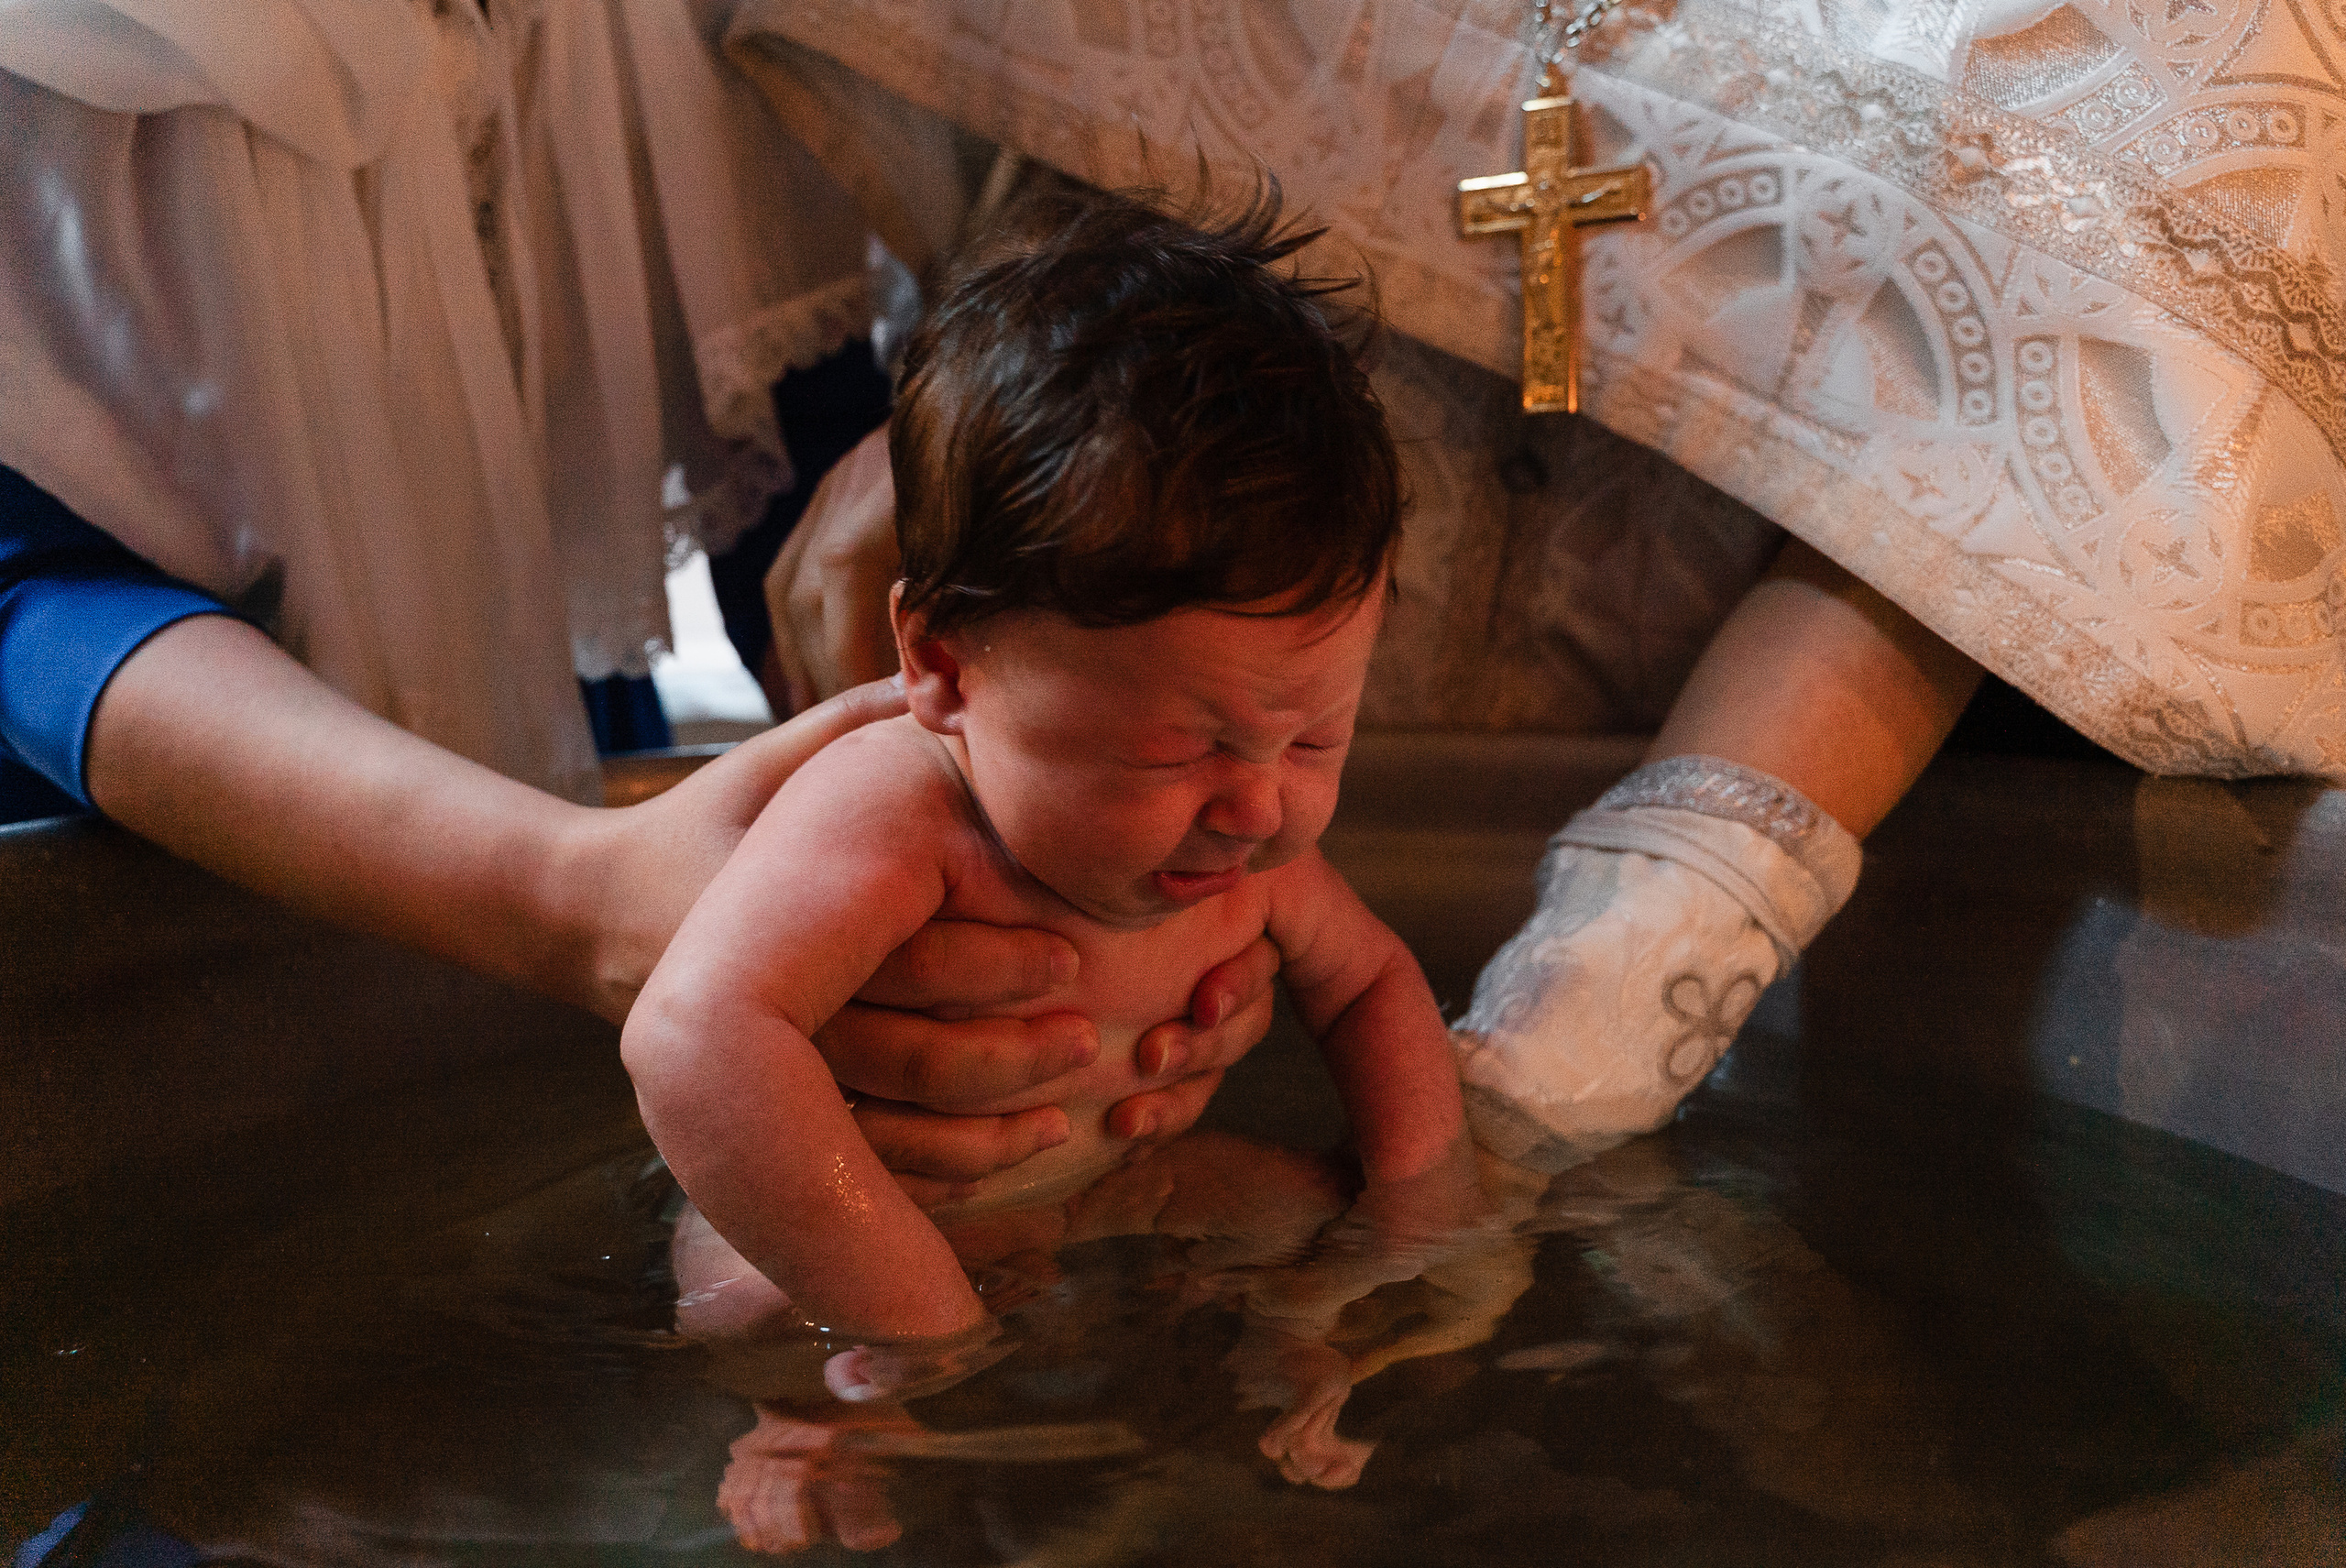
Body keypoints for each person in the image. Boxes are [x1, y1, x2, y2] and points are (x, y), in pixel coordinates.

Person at [0, 0, 1277, 1194]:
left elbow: (772, 421)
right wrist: (573, 893)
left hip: (575, 812)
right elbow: (24, 590)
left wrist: (1058, 896)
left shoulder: (644, 25)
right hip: (112, 867)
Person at [622, 189, 1477, 1354]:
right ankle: (800, 1424)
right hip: (873, 1215)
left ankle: (1310, 1353)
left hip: (1126, 1182)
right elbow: (692, 1037)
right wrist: (913, 1313)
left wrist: (1426, 1217)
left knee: (1327, 1228)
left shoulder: (1244, 827)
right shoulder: (895, 811)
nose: (1261, 805)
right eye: (1184, 748)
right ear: (944, 664)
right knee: (750, 1308)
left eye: (1315, 737)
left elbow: (1372, 982)